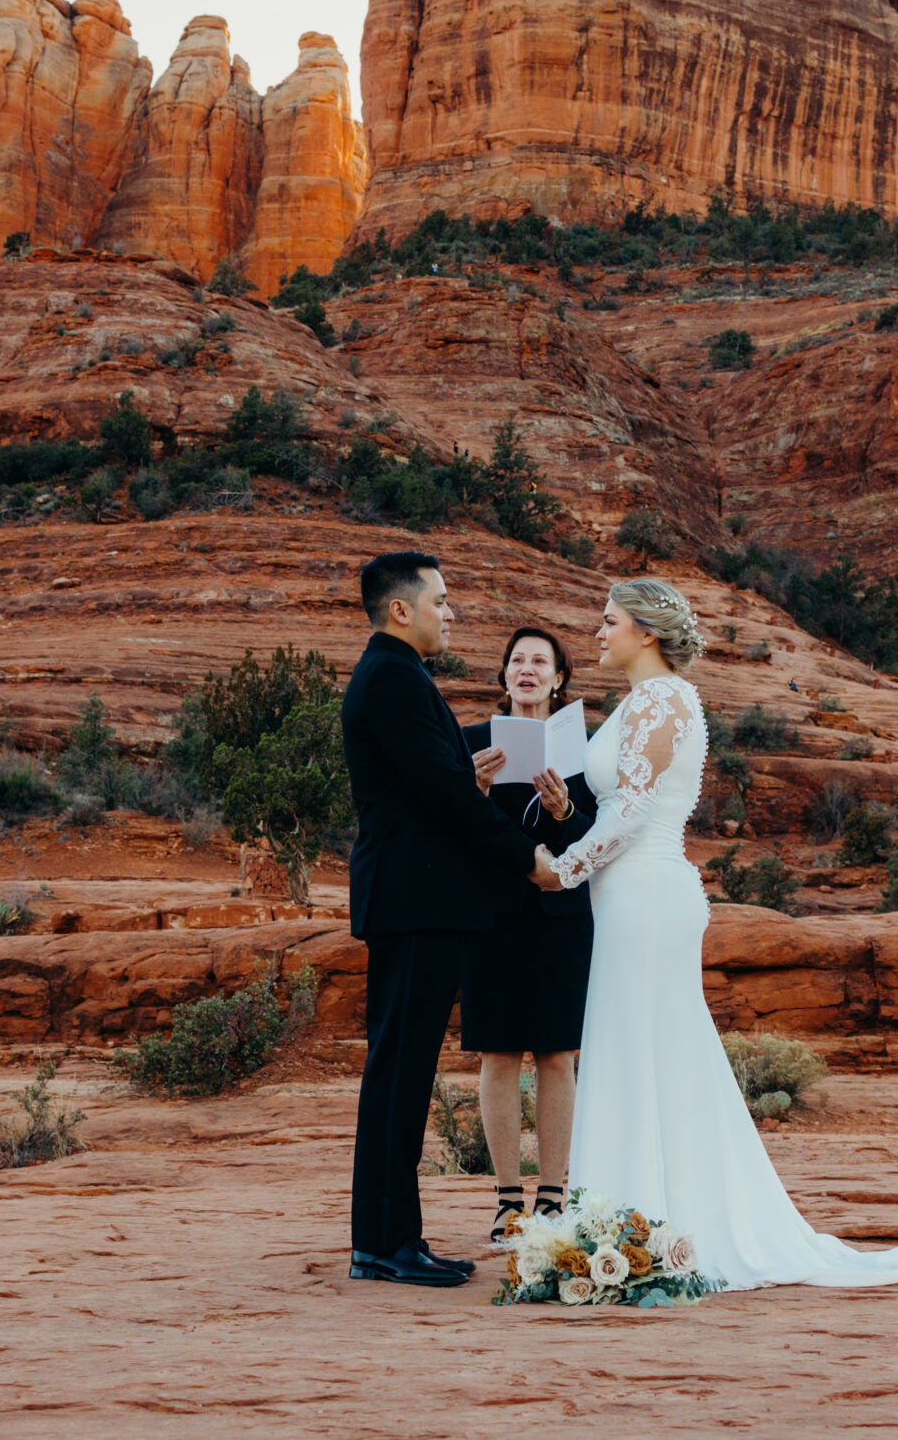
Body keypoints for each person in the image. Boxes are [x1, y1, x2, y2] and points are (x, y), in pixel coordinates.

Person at [554, 577, 898, 1292]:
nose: (596, 631)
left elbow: (635, 812)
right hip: (625, 896)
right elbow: (610, 801)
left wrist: (561, 868)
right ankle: (634, 1222)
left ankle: (648, 1226)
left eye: (607, 620)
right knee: (638, 1045)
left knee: (647, 1044)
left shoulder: (666, 699)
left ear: (645, 630)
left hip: (646, 892)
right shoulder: (638, 702)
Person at [339, 551, 555, 1287]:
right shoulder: (395, 678)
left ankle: (394, 1238)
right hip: (415, 900)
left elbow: (429, 776)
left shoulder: (396, 676)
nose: (448, 610)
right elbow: (443, 797)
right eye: (440, 599)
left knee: (401, 1073)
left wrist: (461, 764)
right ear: (402, 609)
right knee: (398, 1073)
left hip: (413, 899)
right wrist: (529, 857)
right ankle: (384, 1244)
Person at [459, 627, 597, 1244]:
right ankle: (507, 1200)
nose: (527, 669)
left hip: (561, 917)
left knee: (556, 1054)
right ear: (504, 674)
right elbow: (448, 827)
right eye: (517, 659)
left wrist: (566, 811)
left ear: (559, 678)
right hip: (491, 914)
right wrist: (476, 790)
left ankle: (553, 1197)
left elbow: (598, 834)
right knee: (496, 1053)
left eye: (540, 661)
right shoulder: (471, 745)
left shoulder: (585, 751)